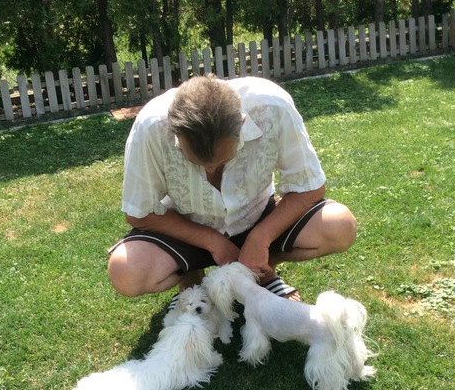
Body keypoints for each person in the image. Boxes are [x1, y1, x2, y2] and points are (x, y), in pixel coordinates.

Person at [108, 74, 357, 303]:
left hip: (258, 216)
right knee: (125, 272)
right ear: (173, 132)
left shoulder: (273, 107)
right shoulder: (151, 127)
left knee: (340, 226)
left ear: (242, 122)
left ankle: (262, 270)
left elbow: (310, 187)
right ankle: (191, 277)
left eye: (222, 160)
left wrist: (261, 238)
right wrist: (212, 241)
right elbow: (139, 213)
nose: (210, 169)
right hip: (186, 229)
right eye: (196, 162)